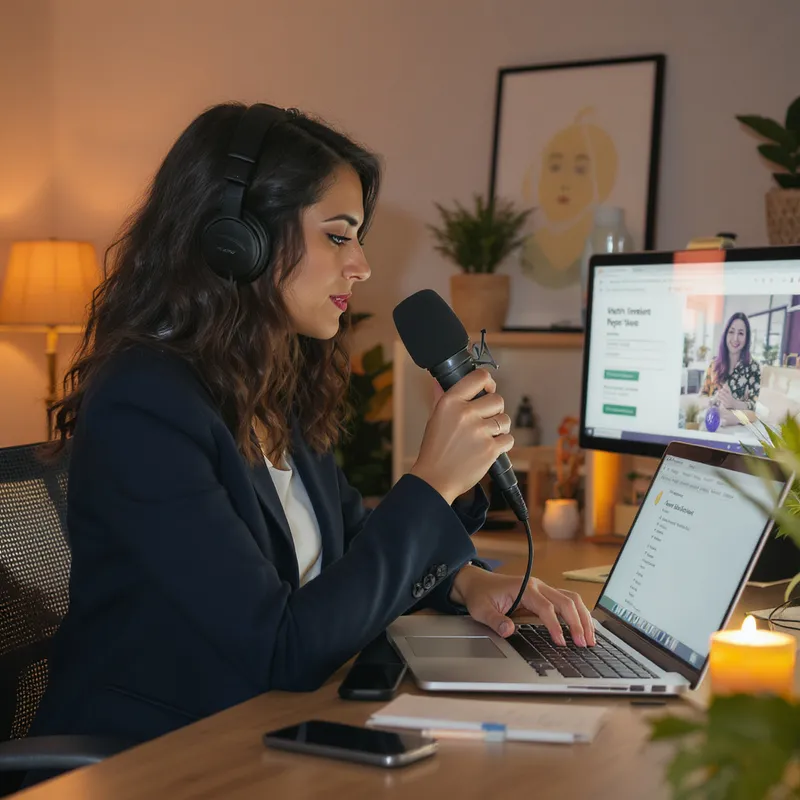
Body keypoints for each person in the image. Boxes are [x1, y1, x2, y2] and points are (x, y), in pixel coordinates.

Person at [28, 103, 594, 753]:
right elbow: (281, 649)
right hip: (158, 756)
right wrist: (431, 481)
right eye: (338, 235)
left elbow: (349, 537)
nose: (362, 265)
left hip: (258, 734)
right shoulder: (143, 407)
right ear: (237, 241)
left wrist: (467, 582)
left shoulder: (266, 384)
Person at [700, 311, 761, 427]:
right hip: (711, 427)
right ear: (725, 335)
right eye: (731, 332)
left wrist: (735, 404)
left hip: (736, 433)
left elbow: (755, 408)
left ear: (747, 338)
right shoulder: (713, 364)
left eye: (741, 333)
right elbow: (702, 395)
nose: (735, 338)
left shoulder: (754, 368)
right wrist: (711, 401)